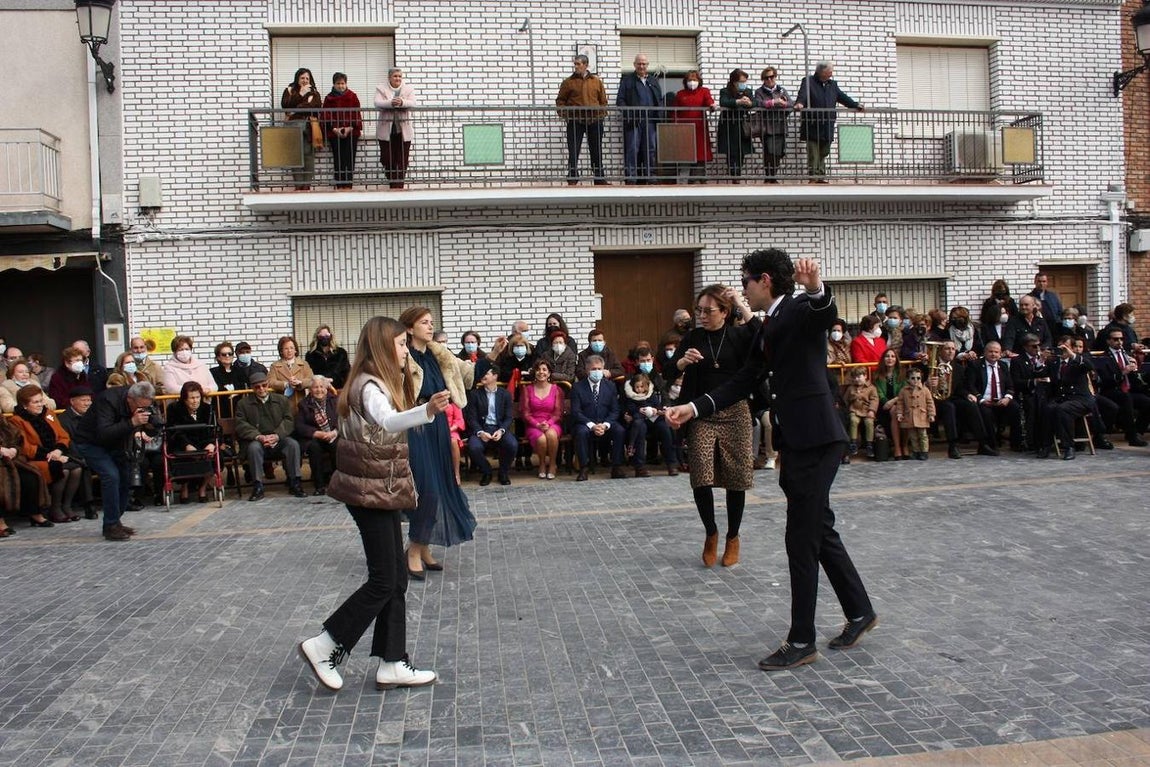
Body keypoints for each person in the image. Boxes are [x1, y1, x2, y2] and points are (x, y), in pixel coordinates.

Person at [666, 249, 877, 671]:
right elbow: (744, 379)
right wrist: (694, 408)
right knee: (819, 527)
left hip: (817, 440)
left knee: (801, 537)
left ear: (763, 280)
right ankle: (859, 611)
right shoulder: (767, 325)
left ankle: (801, 640)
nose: (742, 288)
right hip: (799, 441)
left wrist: (816, 287)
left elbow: (823, 311)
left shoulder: (798, 308)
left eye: (745, 281)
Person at [297, 316, 445, 693]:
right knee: (384, 581)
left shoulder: (374, 380)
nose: (404, 349)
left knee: (394, 579)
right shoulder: (368, 385)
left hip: (379, 489)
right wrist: (427, 410)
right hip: (369, 492)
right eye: (399, 344)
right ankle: (325, 644)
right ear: (381, 347)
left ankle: (393, 662)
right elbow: (389, 420)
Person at [667, 284, 759, 568]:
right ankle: (711, 533)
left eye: (709, 311)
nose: (702, 316)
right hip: (700, 413)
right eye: (699, 310)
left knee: (736, 476)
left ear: (725, 311)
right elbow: (667, 371)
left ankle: (733, 537)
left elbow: (762, 335)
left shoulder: (739, 335)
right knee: (701, 476)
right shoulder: (693, 337)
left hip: (736, 412)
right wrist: (682, 362)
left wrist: (741, 303)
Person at [399, 307, 477, 580]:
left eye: (432, 323)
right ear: (409, 328)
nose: (430, 327)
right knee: (426, 488)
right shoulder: (402, 355)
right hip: (417, 424)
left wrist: (490, 357)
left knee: (441, 486)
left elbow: (466, 374)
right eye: (424, 323)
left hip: (438, 425)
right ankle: (412, 551)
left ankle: (423, 547)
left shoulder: (436, 353)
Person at [73, 380, 160, 541]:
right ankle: (110, 525)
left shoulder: (140, 398)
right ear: (130, 399)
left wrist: (151, 425)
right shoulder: (107, 400)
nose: (141, 410)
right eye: (139, 406)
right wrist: (132, 422)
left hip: (116, 442)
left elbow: (154, 426)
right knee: (111, 475)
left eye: (146, 407)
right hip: (90, 442)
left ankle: (115, 520)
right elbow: (104, 432)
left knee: (125, 475)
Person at [11, 385, 83, 524]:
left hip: (55, 454)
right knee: (63, 469)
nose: (40, 405)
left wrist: (58, 450)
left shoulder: (48, 414)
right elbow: (25, 447)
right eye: (36, 402)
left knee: (76, 469)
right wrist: (50, 455)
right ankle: (54, 508)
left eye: (41, 400)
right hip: (33, 459)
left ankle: (66, 505)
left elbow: (63, 436)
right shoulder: (17, 420)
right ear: (25, 405)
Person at [234, 372, 306, 501]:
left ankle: (295, 481)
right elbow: (241, 425)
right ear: (252, 388)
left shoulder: (281, 400)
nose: (261, 389)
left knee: (293, 445)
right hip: (258, 440)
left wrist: (277, 435)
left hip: (279, 438)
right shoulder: (243, 404)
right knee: (253, 448)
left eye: (264, 385)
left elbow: (289, 420)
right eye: (257, 387)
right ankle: (258, 485)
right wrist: (258, 436)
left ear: (268, 385)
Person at [792, 61, 862, 182]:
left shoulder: (832, 84)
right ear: (821, 72)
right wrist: (800, 103)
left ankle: (819, 175)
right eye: (829, 71)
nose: (831, 73)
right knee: (813, 152)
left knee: (825, 151)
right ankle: (815, 176)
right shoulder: (809, 81)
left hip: (827, 124)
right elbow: (802, 95)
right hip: (812, 124)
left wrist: (855, 105)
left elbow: (842, 97)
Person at [1033, 336, 1094, 460]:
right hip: (1062, 398)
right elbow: (1039, 373)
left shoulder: (1078, 360)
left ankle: (1069, 447)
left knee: (1063, 409)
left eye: (1065, 347)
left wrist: (1072, 354)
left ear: (1072, 348)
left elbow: (1089, 366)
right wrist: (1042, 359)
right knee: (1048, 408)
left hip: (1080, 399)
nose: (1062, 351)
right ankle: (1046, 446)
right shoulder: (1054, 362)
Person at [570, 355, 625, 480]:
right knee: (581, 432)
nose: (597, 372)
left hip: (605, 422)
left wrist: (605, 425)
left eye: (599, 369)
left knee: (619, 430)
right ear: (587, 370)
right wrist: (592, 425)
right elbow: (576, 412)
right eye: (593, 369)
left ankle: (616, 467)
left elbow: (615, 410)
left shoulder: (610, 386)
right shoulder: (577, 387)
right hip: (585, 423)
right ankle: (584, 468)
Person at [557, 54, 609, 185]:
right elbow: (560, 101)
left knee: (596, 149)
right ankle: (573, 176)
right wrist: (566, 115)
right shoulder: (568, 82)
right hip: (576, 120)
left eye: (578, 64)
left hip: (595, 120)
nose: (575, 66)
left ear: (585, 65)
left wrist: (601, 114)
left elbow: (603, 100)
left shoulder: (596, 81)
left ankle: (599, 177)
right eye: (575, 64)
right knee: (573, 149)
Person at [465, 359, 518, 486]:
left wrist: (501, 430)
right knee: (474, 446)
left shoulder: (504, 394)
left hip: (499, 428)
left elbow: (509, 417)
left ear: (495, 376)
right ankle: (486, 471)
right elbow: (471, 418)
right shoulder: (474, 394)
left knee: (512, 444)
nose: (483, 376)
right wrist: (480, 432)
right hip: (482, 428)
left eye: (487, 373)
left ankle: (503, 472)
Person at [164, 381, 218, 503]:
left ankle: (203, 488)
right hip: (182, 442)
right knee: (183, 457)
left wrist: (211, 443)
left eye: (198, 397)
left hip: (203, 442)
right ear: (184, 398)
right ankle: (185, 487)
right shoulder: (174, 409)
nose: (195, 401)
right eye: (192, 398)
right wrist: (186, 445)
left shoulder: (207, 408)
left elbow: (215, 429)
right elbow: (172, 430)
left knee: (213, 455)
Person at [966, 340, 1022, 453]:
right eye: (990, 351)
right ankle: (991, 445)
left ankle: (1016, 443)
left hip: (1001, 399)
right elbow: (970, 385)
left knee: (1015, 408)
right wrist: (981, 399)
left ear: (1000, 353)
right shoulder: (975, 365)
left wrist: (1007, 397)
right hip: (984, 400)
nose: (993, 354)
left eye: (996, 352)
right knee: (986, 413)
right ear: (985, 352)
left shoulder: (1003, 365)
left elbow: (1010, 385)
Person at [615, 53, 662, 185]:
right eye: (639, 63)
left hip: (650, 121)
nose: (641, 66)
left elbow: (659, 99)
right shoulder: (627, 80)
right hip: (634, 121)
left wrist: (660, 114)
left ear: (647, 65)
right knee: (632, 149)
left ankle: (651, 176)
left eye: (644, 64)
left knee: (650, 149)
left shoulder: (653, 80)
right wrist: (628, 113)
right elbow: (620, 100)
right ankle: (631, 177)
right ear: (634, 65)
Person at [622, 372, 676, 476]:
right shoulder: (630, 395)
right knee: (640, 428)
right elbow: (628, 407)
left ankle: (672, 464)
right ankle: (639, 466)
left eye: (642, 386)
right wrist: (638, 410)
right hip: (639, 420)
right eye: (637, 387)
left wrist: (655, 410)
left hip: (653, 419)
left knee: (664, 428)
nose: (639, 389)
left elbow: (658, 405)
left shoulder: (651, 394)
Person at [57, 385, 98, 518]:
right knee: (83, 465)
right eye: (83, 400)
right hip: (74, 454)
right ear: (72, 401)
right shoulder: (64, 419)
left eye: (89, 400)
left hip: (94, 452)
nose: (87, 403)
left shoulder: (93, 416)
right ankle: (89, 504)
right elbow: (68, 443)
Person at [295, 375, 339, 495]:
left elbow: (344, 420)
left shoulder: (335, 400)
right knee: (314, 448)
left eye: (321, 386)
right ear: (310, 389)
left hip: (334, 434)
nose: (319, 390)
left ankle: (337, 484)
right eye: (315, 387)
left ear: (326, 388)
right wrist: (316, 433)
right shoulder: (304, 404)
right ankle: (319, 485)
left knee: (337, 446)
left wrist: (334, 432)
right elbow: (300, 426)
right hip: (315, 437)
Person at [519, 358, 563, 480]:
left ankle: (553, 464)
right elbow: (525, 413)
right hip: (533, 424)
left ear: (549, 373)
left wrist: (548, 423)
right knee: (542, 439)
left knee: (551, 435)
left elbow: (558, 412)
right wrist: (537, 424)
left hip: (552, 422)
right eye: (538, 370)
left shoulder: (556, 389)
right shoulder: (527, 389)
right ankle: (542, 464)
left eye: (544, 369)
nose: (541, 372)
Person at [281, 67, 322, 190]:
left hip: (309, 126)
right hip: (293, 126)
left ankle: (306, 186)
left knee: (308, 155)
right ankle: (298, 186)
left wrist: (297, 107)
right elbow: (285, 105)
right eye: (302, 78)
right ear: (297, 78)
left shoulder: (314, 92)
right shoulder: (289, 90)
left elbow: (316, 106)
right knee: (296, 156)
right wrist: (301, 94)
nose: (305, 80)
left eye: (307, 78)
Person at [375, 68, 416, 189]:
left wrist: (402, 102)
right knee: (387, 158)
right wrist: (390, 103)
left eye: (399, 76)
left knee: (402, 160)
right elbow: (377, 103)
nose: (397, 78)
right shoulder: (381, 88)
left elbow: (413, 103)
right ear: (389, 78)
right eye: (395, 76)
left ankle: (398, 186)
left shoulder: (408, 89)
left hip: (403, 132)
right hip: (386, 131)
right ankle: (393, 181)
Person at [321, 72, 363, 189]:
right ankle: (340, 185)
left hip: (351, 133)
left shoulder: (352, 96)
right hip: (335, 134)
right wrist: (334, 129)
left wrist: (350, 127)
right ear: (334, 84)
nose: (341, 86)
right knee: (338, 160)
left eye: (343, 83)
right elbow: (326, 115)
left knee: (349, 159)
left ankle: (348, 184)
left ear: (346, 83)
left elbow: (356, 113)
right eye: (338, 83)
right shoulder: (329, 98)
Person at [672, 70, 715, 182]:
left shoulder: (704, 91)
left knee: (701, 155)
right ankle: (685, 181)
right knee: (685, 155)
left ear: (699, 81)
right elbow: (674, 112)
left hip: (699, 129)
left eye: (694, 80)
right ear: (685, 81)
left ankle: (700, 180)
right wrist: (675, 127)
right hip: (684, 130)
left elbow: (708, 100)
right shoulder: (680, 94)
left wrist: (711, 105)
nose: (692, 82)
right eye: (689, 80)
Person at [753, 66, 790, 182]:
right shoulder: (759, 91)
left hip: (780, 125)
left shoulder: (781, 90)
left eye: (771, 77)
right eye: (766, 77)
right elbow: (758, 103)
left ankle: (773, 175)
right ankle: (769, 176)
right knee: (769, 152)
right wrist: (773, 102)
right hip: (767, 127)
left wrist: (784, 103)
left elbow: (791, 103)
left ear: (775, 77)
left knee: (778, 153)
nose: (769, 80)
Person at [717, 69, 755, 180]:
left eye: (745, 81)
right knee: (731, 151)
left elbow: (755, 102)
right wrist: (738, 102)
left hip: (742, 125)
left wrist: (749, 103)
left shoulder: (747, 91)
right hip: (729, 126)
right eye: (741, 81)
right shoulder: (725, 91)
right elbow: (723, 101)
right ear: (734, 81)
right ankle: (734, 174)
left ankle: (738, 173)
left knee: (741, 151)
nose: (743, 84)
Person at [894, 368, 935, 460]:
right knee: (913, 436)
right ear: (908, 379)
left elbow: (930, 402)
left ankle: (924, 451)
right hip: (910, 416)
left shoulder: (925, 390)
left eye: (918, 378)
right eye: (913, 378)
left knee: (923, 435)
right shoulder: (903, 391)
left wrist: (931, 414)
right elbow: (900, 403)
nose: (916, 380)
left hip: (921, 416)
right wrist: (899, 413)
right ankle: (916, 451)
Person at [873, 348, 907, 460]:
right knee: (893, 411)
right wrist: (886, 402)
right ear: (883, 359)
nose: (890, 359)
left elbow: (904, 391)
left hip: (899, 403)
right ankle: (898, 447)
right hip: (883, 406)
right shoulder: (877, 375)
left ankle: (902, 446)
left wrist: (893, 401)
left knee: (896, 411)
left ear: (896, 359)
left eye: (892, 356)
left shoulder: (902, 373)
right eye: (887, 356)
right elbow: (879, 393)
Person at [268, 335, 313, 411]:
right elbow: (270, 382)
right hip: (281, 405)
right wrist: (285, 384)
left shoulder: (304, 364)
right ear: (281, 351)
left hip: (301, 404)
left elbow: (311, 380)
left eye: (291, 348)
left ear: (295, 350)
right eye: (286, 348)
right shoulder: (275, 366)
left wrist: (300, 382)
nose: (289, 351)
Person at [841, 367, 878, 458]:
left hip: (867, 410)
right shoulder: (851, 388)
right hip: (854, 410)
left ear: (865, 376)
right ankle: (853, 442)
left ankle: (869, 444)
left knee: (869, 423)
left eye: (859, 376)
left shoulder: (871, 388)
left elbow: (874, 400)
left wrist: (872, 410)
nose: (856, 379)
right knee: (853, 421)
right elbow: (845, 400)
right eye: (854, 377)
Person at [305, 325, 350, 390]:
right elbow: (309, 375)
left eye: (326, 336)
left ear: (331, 336)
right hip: (319, 390)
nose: (324, 338)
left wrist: (346, 388)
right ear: (317, 337)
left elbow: (347, 372)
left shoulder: (341, 353)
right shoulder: (310, 355)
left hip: (338, 390)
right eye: (321, 336)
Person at [1029, 273, 1064, 341]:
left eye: (1044, 281)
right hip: (1039, 329)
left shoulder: (1053, 296)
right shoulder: (1030, 297)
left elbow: (1060, 311)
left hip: (1054, 329)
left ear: (1047, 282)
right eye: (1039, 281)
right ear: (1035, 282)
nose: (1041, 284)